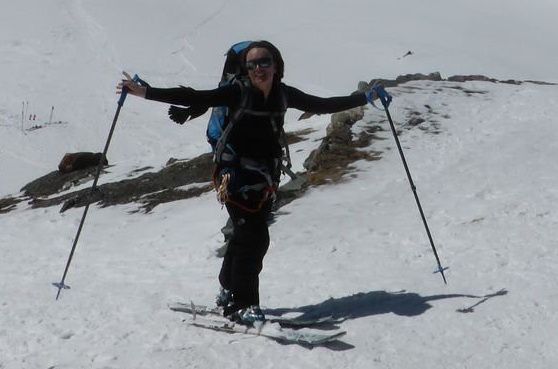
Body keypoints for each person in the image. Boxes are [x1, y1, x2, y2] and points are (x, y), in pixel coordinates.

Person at [119, 40, 375, 322]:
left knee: (246, 236)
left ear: (276, 66)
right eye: (252, 64)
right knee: (255, 238)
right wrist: (144, 92)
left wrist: (365, 98)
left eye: (264, 62)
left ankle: (228, 289)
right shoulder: (238, 92)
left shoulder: (283, 94)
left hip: (264, 179)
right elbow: (195, 96)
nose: (258, 69)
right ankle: (242, 304)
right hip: (233, 177)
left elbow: (323, 105)